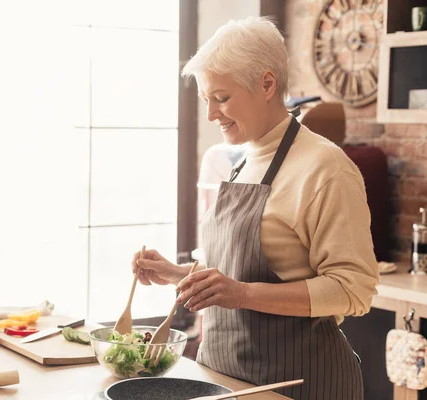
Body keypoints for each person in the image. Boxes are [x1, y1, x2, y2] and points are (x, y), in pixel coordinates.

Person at [131, 17, 378, 400]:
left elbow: (353, 289)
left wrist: (243, 294)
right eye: (206, 100)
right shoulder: (243, 159)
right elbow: (240, 274)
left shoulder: (325, 168)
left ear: (266, 84)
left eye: (222, 98)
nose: (212, 114)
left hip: (301, 385)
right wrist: (177, 273)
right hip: (226, 382)